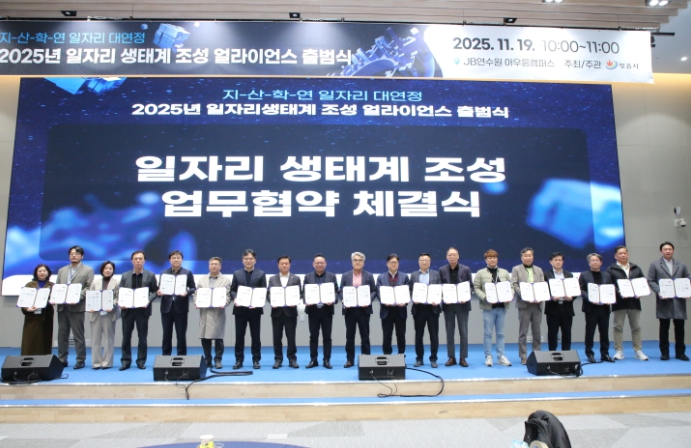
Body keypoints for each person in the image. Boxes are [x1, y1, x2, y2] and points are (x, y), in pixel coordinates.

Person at [647, 241, 690, 361]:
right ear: (661, 251)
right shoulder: (655, 264)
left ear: (673, 250)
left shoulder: (681, 264)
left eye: (670, 249)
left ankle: (680, 353)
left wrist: (686, 289)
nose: (668, 251)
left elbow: (688, 278)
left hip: (679, 301)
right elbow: (650, 280)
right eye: (665, 249)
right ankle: (664, 353)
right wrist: (659, 291)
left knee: (680, 328)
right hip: (664, 301)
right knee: (664, 328)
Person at [606, 245, 648, 361]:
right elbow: (609, 285)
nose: (623, 255)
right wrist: (619, 292)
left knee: (636, 327)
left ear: (628, 254)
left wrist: (641, 292)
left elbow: (642, 283)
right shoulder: (611, 269)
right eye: (620, 253)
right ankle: (619, 351)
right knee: (618, 327)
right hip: (619, 303)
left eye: (625, 253)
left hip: (634, 302)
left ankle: (638, 350)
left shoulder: (636, 268)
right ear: (615, 256)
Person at [55, 245, 94, 369]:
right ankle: (62, 359)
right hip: (62, 307)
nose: (73, 256)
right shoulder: (62, 270)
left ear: (82, 256)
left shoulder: (88, 270)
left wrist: (77, 297)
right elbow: (57, 287)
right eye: (71, 254)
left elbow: (89, 287)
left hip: (77, 307)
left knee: (78, 335)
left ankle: (80, 359)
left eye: (76, 254)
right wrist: (55, 297)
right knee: (62, 335)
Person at [118, 250, 158, 370]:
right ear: (132, 261)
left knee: (142, 338)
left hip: (142, 311)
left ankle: (141, 361)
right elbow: (120, 292)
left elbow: (155, 291)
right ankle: (126, 361)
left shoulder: (150, 275)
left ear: (144, 261)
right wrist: (122, 302)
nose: (138, 261)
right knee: (126, 337)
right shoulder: (125, 275)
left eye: (140, 259)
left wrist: (148, 300)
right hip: (127, 311)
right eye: (136, 259)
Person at [473, 249, 512, 367]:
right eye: (489, 258)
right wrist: (485, 297)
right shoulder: (480, 273)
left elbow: (511, 287)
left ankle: (501, 356)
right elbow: (476, 288)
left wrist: (510, 295)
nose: (492, 260)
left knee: (501, 334)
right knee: (488, 334)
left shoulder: (504, 273)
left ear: (497, 259)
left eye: (494, 257)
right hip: (488, 308)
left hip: (502, 307)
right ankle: (488, 356)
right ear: (485, 260)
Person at [230, 249, 267, 370]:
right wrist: (235, 298)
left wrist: (259, 302)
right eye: (246, 259)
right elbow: (232, 290)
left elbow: (264, 291)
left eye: (251, 259)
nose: (248, 261)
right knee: (239, 336)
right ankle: (238, 360)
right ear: (242, 260)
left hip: (255, 310)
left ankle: (256, 360)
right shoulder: (237, 273)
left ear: (255, 260)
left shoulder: (261, 274)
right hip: (240, 310)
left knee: (255, 336)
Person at [340, 251, 377, 368]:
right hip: (350, 310)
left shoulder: (369, 275)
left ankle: (366, 360)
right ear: (352, 262)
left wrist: (368, 300)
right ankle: (349, 360)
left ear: (363, 263)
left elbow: (374, 290)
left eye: (360, 260)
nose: (357, 262)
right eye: (355, 260)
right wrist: (343, 299)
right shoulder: (345, 276)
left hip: (363, 310)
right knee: (349, 337)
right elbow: (341, 290)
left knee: (365, 336)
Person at [156, 250, 196, 357]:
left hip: (181, 307)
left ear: (182, 260)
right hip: (166, 308)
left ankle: (181, 356)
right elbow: (160, 288)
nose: (176, 260)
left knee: (181, 334)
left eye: (178, 258)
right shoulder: (164, 273)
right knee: (166, 334)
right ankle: (166, 355)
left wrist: (187, 292)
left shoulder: (187, 273)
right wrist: (159, 293)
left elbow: (193, 288)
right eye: (174, 258)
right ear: (170, 260)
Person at [303, 254, 339, 369]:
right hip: (313, 310)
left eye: (321, 262)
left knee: (327, 336)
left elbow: (336, 292)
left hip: (326, 310)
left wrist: (333, 300)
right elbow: (304, 292)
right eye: (317, 263)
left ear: (325, 264)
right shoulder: (308, 276)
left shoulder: (332, 276)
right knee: (313, 336)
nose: (319, 264)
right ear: (313, 264)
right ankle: (313, 360)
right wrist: (306, 300)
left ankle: (327, 360)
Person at [195, 257, 231, 369]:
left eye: (216, 264)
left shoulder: (226, 280)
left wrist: (224, 303)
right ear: (209, 266)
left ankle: (218, 360)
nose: (213, 266)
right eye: (211, 264)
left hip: (218, 312)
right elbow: (196, 293)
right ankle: (207, 359)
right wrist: (196, 302)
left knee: (218, 338)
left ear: (220, 266)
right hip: (205, 312)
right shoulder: (202, 280)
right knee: (205, 338)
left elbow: (228, 295)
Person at [439, 247, 473, 367]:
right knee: (449, 333)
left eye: (454, 255)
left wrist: (466, 296)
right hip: (448, 306)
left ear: (458, 256)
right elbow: (439, 287)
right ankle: (451, 357)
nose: (452, 257)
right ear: (446, 257)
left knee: (463, 332)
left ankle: (463, 357)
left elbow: (471, 286)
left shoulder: (466, 269)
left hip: (462, 305)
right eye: (450, 255)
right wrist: (443, 297)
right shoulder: (442, 270)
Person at [511, 247, 545, 365]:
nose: (528, 258)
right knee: (523, 333)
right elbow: (514, 284)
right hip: (524, 305)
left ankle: (536, 354)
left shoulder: (539, 270)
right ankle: (523, 356)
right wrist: (524, 294)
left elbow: (542, 285)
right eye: (525, 256)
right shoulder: (516, 269)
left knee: (537, 332)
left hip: (537, 305)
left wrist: (539, 295)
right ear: (521, 257)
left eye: (530, 255)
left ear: (533, 257)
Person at [579, 253, 614, 363]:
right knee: (590, 332)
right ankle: (589, 354)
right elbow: (581, 290)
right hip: (591, 307)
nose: (595, 262)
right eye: (592, 260)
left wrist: (610, 298)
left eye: (597, 260)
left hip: (604, 307)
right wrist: (590, 298)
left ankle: (605, 354)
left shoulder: (607, 275)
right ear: (589, 263)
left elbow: (611, 289)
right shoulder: (584, 275)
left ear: (601, 262)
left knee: (604, 332)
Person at [268, 255, 302, 369]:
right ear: (278, 265)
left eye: (286, 263)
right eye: (282, 263)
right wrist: (272, 301)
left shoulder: (296, 278)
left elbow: (299, 293)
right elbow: (269, 294)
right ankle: (278, 359)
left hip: (290, 312)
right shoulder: (272, 279)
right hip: (276, 312)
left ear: (290, 264)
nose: (284, 265)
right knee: (277, 337)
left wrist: (296, 301)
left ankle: (292, 359)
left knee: (291, 337)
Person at [410, 253, 442, 368]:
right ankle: (419, 358)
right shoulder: (414, 275)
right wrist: (414, 298)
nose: (424, 262)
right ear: (419, 262)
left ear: (430, 262)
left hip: (432, 309)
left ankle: (433, 358)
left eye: (426, 260)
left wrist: (437, 300)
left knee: (434, 335)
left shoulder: (436, 274)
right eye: (422, 260)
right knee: (419, 335)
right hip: (419, 309)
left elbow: (439, 289)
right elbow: (410, 291)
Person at [375, 254, 410, 356]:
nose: (393, 264)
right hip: (386, 310)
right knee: (387, 335)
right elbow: (378, 291)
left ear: (398, 264)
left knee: (401, 335)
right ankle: (387, 355)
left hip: (400, 310)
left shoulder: (404, 276)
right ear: (387, 264)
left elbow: (408, 291)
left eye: (395, 262)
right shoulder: (381, 277)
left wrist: (405, 302)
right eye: (391, 262)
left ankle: (401, 355)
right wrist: (384, 301)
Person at [89, 261, 119, 369]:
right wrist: (90, 305)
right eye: (106, 268)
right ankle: (96, 362)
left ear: (113, 270)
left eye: (110, 268)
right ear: (102, 270)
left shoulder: (117, 283)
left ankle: (107, 362)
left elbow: (118, 297)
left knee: (108, 340)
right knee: (95, 340)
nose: (108, 270)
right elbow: (90, 296)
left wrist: (112, 304)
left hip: (109, 313)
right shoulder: (95, 282)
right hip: (96, 313)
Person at [543, 252, 576, 351]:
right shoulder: (545, 275)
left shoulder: (569, 274)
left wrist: (572, 297)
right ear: (551, 262)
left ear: (563, 262)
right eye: (555, 260)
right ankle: (552, 353)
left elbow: (574, 290)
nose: (558, 262)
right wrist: (551, 297)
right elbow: (543, 290)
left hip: (567, 307)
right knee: (552, 333)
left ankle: (566, 353)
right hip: (553, 307)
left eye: (560, 260)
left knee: (567, 332)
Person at [20, 264, 54, 356]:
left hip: (46, 314)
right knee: (31, 338)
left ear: (48, 273)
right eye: (40, 271)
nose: (42, 273)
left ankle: (44, 358)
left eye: (44, 271)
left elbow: (55, 298)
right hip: (32, 315)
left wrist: (53, 300)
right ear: (36, 273)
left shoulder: (52, 285)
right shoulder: (29, 285)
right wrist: (27, 308)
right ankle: (28, 357)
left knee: (45, 336)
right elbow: (23, 300)